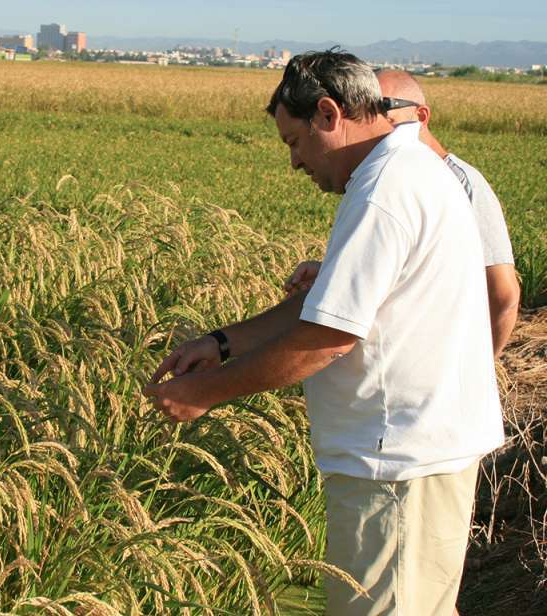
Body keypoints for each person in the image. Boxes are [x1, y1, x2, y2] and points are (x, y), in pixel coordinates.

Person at [143, 50, 504, 615]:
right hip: (422, 453)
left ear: (330, 114)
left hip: (396, 464)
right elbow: (328, 306)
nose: (294, 163)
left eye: (293, 142)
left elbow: (331, 337)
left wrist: (201, 394)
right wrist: (220, 344)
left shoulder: (384, 192)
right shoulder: (411, 170)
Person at [286, 69, 520, 358]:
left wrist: (480, 365)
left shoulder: (462, 183)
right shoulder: (384, 178)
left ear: (421, 117)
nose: (372, 116)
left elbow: (503, 295)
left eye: (383, 106)